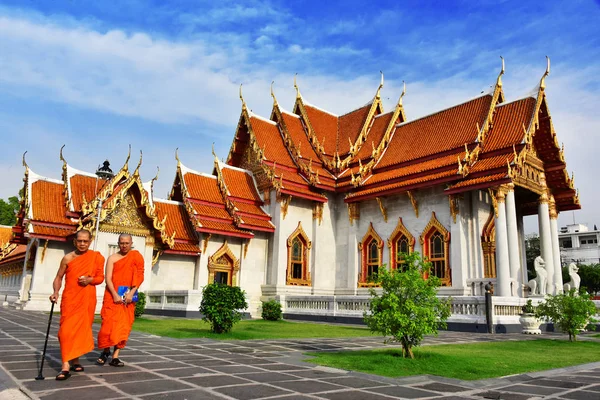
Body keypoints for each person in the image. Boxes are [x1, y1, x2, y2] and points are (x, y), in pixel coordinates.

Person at [49, 229, 105, 381]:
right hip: (70, 299)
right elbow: (58, 277)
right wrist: (55, 292)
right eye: (79, 241)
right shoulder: (67, 258)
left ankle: (75, 360)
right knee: (65, 332)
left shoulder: (96, 257)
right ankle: (65, 365)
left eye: (85, 241)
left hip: (87, 300)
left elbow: (100, 277)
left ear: (90, 241)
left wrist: (90, 280)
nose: (82, 244)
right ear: (75, 241)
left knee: (80, 331)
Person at [96, 233, 144, 367]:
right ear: (118, 243)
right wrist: (115, 294)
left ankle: (115, 356)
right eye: (122, 243)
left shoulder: (136, 257)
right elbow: (108, 278)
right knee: (107, 326)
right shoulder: (112, 258)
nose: (124, 245)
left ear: (131, 243)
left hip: (128, 295)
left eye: (127, 243)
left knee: (123, 326)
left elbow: (140, 275)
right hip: (112, 295)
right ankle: (105, 351)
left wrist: (131, 293)